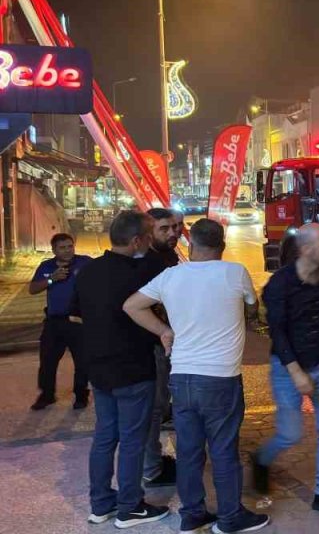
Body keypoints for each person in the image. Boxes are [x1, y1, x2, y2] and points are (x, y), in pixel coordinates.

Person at [125, 219, 270, 534]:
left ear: (189, 245)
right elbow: (251, 306)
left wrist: (164, 330)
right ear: (223, 245)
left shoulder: (170, 276)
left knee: (189, 452)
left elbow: (132, 306)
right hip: (221, 379)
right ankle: (230, 519)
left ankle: (192, 516)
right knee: (223, 451)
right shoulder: (235, 272)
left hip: (183, 378)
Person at [73, 211, 170, 528]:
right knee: (132, 440)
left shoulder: (88, 271)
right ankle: (130, 507)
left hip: (98, 368)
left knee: (104, 438)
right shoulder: (143, 272)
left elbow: (76, 315)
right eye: (147, 235)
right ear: (137, 240)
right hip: (133, 368)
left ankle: (101, 504)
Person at [254, 223, 319, 519]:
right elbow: (277, 333)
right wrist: (296, 373)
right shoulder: (279, 285)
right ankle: (261, 461)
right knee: (290, 434)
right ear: (305, 250)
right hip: (287, 368)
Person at [141, 207, 183, 489]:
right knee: (153, 408)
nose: (173, 233)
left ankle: (153, 463)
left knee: (160, 405)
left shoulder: (168, 257)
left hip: (167, 343)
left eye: (175, 227)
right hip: (152, 345)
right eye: (164, 229)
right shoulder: (147, 263)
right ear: (148, 233)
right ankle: (152, 469)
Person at [29, 232, 93, 411]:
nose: (67, 251)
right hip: (54, 322)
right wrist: (51, 279)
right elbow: (32, 289)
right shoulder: (46, 266)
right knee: (47, 360)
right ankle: (46, 395)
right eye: (62, 248)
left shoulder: (85, 262)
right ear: (54, 250)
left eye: (70, 246)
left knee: (82, 361)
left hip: (78, 321)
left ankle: (81, 395)